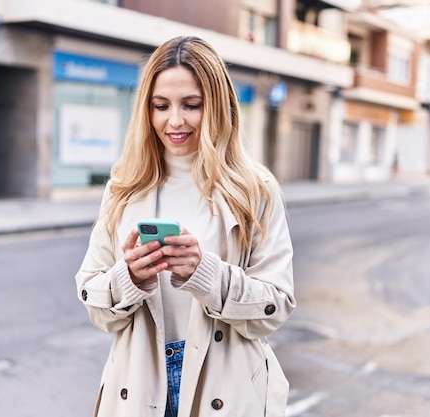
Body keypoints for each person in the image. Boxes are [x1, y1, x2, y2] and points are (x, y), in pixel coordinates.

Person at [75, 35, 296, 417]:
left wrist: (206, 274)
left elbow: (276, 306)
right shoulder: (123, 187)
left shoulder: (255, 189)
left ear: (216, 106)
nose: (174, 120)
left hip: (227, 388)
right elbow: (94, 302)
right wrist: (129, 277)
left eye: (191, 105)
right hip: (139, 381)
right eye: (161, 106)